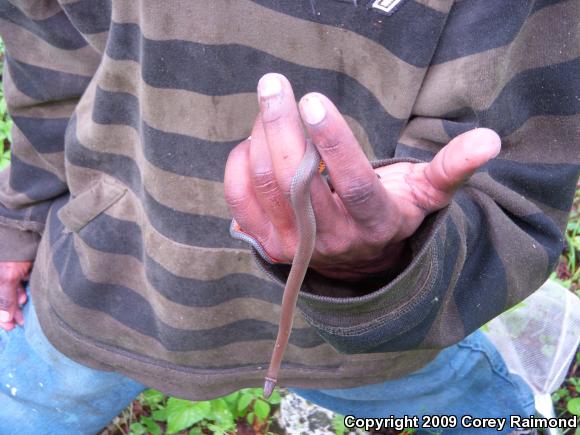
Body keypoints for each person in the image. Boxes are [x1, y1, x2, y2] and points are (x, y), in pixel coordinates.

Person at [0, 0, 578, 433]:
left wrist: (378, 262)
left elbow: (515, 168)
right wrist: (20, 219)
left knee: (459, 407)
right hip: (109, 288)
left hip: (362, 344)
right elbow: (45, 50)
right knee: (30, 402)